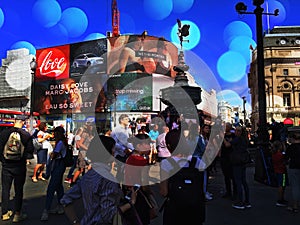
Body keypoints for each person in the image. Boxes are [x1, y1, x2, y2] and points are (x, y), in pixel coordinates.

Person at [60, 135, 138, 225]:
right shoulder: (108, 178)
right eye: (113, 149)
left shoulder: (88, 175)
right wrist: (131, 203)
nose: (114, 152)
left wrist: (75, 222)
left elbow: (66, 199)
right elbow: (108, 215)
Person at [159, 128, 206, 225]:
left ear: (168, 146)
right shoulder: (198, 162)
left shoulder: (166, 164)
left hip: (175, 209)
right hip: (195, 208)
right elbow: (203, 187)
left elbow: (164, 192)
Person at [0, 115, 34, 222]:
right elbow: (29, 151)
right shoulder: (25, 135)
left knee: (5, 189)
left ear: (14, 121)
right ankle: (17, 214)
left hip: (6, 165)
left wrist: (3, 160)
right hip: (19, 166)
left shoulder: (4, 133)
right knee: (18, 190)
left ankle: (5, 213)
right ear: (23, 122)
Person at [124, 133, 155, 225]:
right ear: (139, 146)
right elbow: (144, 184)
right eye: (147, 144)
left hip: (129, 194)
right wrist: (149, 192)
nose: (149, 146)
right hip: (140, 195)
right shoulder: (142, 161)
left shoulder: (129, 158)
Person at [40, 126, 68, 221]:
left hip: (58, 165)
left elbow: (54, 154)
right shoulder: (63, 142)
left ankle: (46, 210)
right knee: (59, 186)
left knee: (51, 188)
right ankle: (61, 205)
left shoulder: (60, 143)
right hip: (61, 164)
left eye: (55, 133)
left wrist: (51, 154)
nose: (53, 135)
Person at [230, 126, 251, 210]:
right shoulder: (245, 139)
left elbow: (228, 145)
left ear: (239, 132)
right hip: (243, 161)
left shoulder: (237, 139)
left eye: (237, 130)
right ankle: (247, 201)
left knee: (238, 182)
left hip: (237, 161)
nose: (235, 132)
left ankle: (240, 202)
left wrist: (222, 138)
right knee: (244, 181)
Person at [71, 119, 95, 186]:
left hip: (88, 153)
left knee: (88, 167)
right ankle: (73, 182)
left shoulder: (92, 134)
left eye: (92, 125)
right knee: (81, 169)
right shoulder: (85, 134)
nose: (92, 127)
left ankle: (84, 182)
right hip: (83, 153)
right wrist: (88, 149)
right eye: (91, 125)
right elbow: (80, 143)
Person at [110, 114, 134, 182]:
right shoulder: (117, 130)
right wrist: (124, 149)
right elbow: (114, 143)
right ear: (121, 120)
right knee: (121, 171)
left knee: (124, 172)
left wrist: (133, 149)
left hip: (125, 153)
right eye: (126, 119)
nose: (128, 120)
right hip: (119, 154)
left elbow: (127, 142)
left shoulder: (126, 129)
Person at [220, 122, 236, 199]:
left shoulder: (233, 136)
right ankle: (228, 191)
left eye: (226, 126)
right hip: (224, 158)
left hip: (231, 158)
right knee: (226, 176)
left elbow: (227, 145)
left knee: (233, 176)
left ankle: (235, 192)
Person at [285, 132, 300, 213]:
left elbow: (286, 158)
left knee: (295, 186)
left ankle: (295, 205)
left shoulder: (291, 147)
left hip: (294, 166)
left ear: (293, 139)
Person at [271, 140, 289, 207]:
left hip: (277, 171)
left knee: (281, 185)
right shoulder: (280, 155)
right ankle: (280, 199)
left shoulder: (274, 154)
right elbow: (285, 159)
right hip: (282, 171)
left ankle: (281, 198)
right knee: (282, 185)